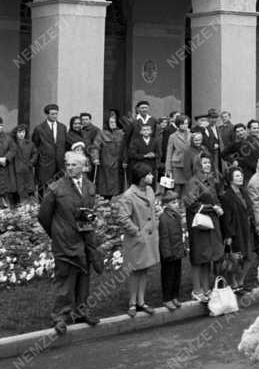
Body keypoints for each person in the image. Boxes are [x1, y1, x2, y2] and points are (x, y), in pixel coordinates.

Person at [38, 151, 100, 334]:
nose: (70, 168)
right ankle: (60, 317)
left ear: (83, 166)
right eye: (68, 165)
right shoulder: (56, 188)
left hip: (85, 239)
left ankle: (82, 311)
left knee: (84, 276)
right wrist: (57, 233)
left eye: (74, 165)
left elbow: (89, 211)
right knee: (65, 279)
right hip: (65, 241)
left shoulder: (89, 186)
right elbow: (43, 216)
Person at [114, 163, 159, 316]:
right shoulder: (128, 196)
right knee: (134, 271)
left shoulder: (150, 190)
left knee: (144, 269)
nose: (152, 177)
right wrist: (136, 232)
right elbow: (122, 217)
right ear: (141, 178)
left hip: (149, 238)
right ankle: (132, 303)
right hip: (137, 239)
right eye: (149, 174)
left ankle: (141, 301)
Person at [182, 155, 225, 301]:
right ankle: (197, 289)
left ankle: (206, 289)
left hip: (211, 222)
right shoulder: (193, 182)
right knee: (199, 256)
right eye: (204, 163)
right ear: (197, 165)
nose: (207, 165)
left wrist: (218, 207)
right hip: (198, 223)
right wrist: (211, 208)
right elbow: (190, 203)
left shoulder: (211, 180)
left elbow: (216, 198)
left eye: (208, 162)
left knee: (208, 255)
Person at [219, 165, 257, 292]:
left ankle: (240, 281)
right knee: (236, 258)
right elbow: (226, 218)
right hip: (236, 231)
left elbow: (249, 209)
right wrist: (228, 235)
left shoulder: (244, 192)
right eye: (237, 176)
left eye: (241, 176)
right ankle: (233, 282)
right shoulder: (226, 196)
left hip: (246, 229)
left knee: (248, 257)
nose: (240, 178)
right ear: (230, 179)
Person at [158, 189, 186, 310]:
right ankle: (167, 298)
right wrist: (166, 253)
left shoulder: (176, 216)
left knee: (176, 275)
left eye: (177, 201)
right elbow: (164, 237)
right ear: (166, 205)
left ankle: (175, 295)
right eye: (173, 202)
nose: (177, 204)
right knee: (168, 276)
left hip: (177, 250)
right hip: (169, 253)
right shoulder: (164, 218)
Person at [31, 103, 68, 197]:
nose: (55, 116)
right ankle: (42, 208)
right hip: (44, 163)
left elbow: (64, 144)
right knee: (43, 189)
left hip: (59, 163)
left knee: (59, 188)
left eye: (56, 114)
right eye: (52, 114)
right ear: (47, 114)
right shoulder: (39, 128)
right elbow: (34, 145)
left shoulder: (62, 127)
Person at [1, 124, 37, 206]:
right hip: (15, 170)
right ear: (15, 133)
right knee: (16, 189)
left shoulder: (30, 143)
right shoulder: (12, 143)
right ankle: (16, 206)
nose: (21, 134)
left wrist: (31, 163)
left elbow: (35, 153)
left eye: (23, 132)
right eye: (19, 132)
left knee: (30, 188)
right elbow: (9, 154)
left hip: (27, 169)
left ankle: (32, 205)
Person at [94, 111, 127, 199]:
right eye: (111, 122)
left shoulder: (122, 133)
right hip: (106, 163)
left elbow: (125, 148)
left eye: (114, 122)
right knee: (105, 186)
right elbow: (95, 147)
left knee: (118, 186)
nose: (112, 124)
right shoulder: (101, 133)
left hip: (118, 163)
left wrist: (125, 160)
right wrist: (95, 158)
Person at [165, 115, 192, 194]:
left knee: (188, 187)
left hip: (188, 164)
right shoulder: (173, 136)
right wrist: (168, 168)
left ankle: (186, 204)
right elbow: (169, 153)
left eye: (186, 124)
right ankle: (176, 204)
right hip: (177, 164)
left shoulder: (191, 134)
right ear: (178, 124)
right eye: (183, 124)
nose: (185, 126)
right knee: (177, 187)